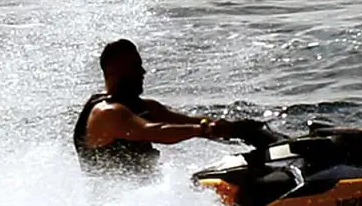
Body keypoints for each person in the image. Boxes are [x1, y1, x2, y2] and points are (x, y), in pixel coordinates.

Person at [73, 39, 245, 175]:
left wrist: (236, 129)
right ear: (113, 70)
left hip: (146, 195)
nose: (143, 72)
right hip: (115, 203)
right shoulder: (107, 113)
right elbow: (156, 131)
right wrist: (203, 130)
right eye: (134, 66)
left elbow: (188, 121)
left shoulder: (143, 106)